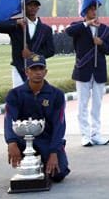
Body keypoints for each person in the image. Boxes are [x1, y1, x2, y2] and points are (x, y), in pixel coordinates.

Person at [4, 54, 70, 182]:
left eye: (41, 69)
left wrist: (54, 151)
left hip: (47, 140)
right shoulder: (15, 94)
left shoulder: (57, 95)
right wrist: (11, 142)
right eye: (34, 69)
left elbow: (59, 125)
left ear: (46, 72)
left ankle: (52, 157)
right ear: (27, 71)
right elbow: (9, 119)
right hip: (23, 140)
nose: (38, 73)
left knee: (58, 174)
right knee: (27, 175)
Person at [65, 2, 109, 147]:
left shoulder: (104, 29)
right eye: (90, 9)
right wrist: (87, 23)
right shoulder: (78, 27)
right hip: (83, 70)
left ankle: (96, 133)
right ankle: (85, 135)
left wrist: (100, 43)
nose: (93, 12)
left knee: (97, 104)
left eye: (95, 10)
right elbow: (69, 31)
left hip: (99, 70)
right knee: (82, 104)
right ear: (85, 12)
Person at [0, 0, 56, 88]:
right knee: (19, 97)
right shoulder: (16, 26)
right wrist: (16, 22)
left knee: (35, 97)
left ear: (38, 8)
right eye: (29, 5)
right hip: (19, 66)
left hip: (37, 68)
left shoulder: (46, 29)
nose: (33, 7)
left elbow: (50, 51)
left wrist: (32, 54)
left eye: (35, 5)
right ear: (23, 8)